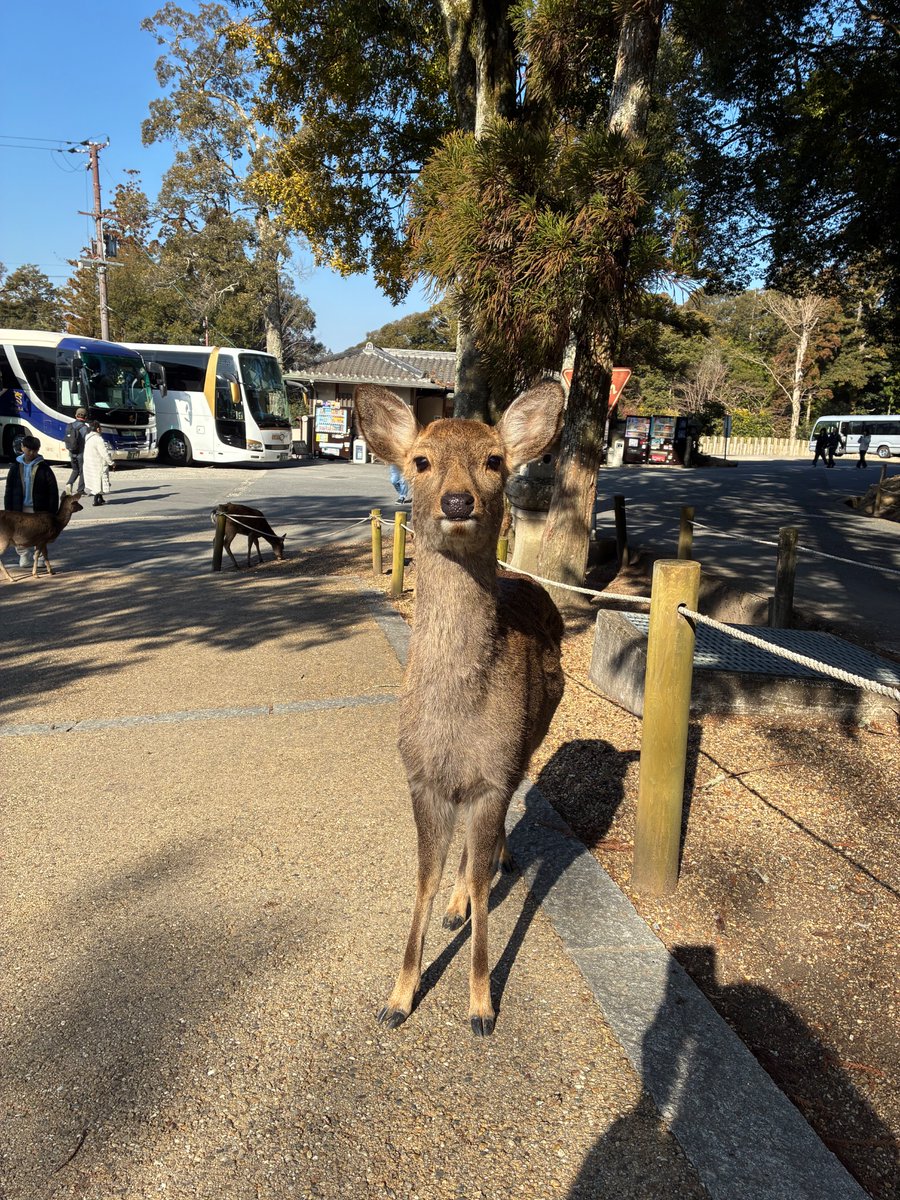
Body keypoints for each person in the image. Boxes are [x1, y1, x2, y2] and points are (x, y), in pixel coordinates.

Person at [3, 434, 59, 568]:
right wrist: (8, 508)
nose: (32, 453)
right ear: (22, 448)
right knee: (19, 533)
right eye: (29, 450)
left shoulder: (44, 468)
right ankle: (24, 557)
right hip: (19, 506)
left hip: (38, 508)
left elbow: (53, 490)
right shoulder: (15, 467)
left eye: (35, 450)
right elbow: (9, 489)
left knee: (38, 533)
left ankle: (37, 557)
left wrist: (52, 510)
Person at [83, 421, 115, 506]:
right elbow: (104, 453)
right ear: (97, 429)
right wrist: (111, 463)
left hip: (89, 463)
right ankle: (95, 500)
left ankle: (100, 498)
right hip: (98, 464)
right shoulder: (98, 439)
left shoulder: (88, 437)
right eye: (100, 428)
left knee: (96, 481)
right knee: (98, 482)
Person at [65, 407, 90, 494]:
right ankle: (80, 490)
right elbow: (86, 441)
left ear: (75, 415)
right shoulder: (85, 428)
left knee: (75, 470)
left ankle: (69, 484)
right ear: (85, 417)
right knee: (83, 471)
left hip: (71, 452)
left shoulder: (69, 426)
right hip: (81, 453)